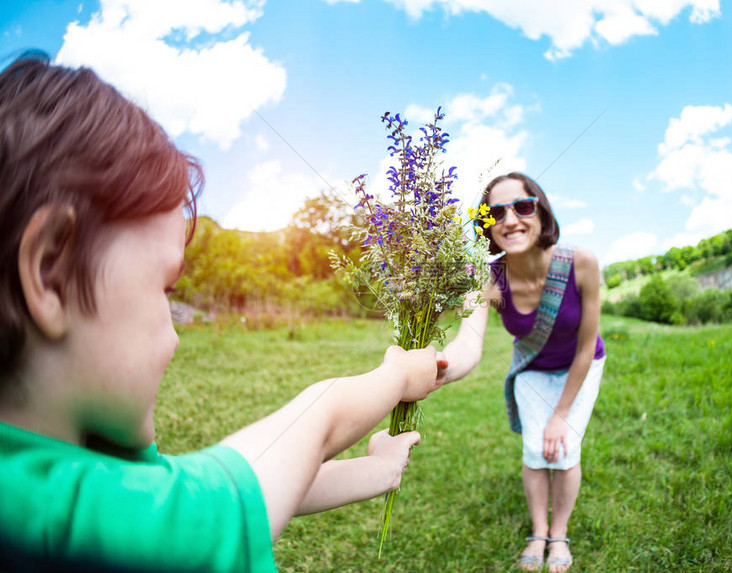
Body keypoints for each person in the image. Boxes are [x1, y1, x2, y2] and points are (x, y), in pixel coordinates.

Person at [0, 52, 445, 572]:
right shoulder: (55, 519)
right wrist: (395, 375)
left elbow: (273, 480)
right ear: (51, 272)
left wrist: (376, 472)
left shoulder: (57, 470)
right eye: (164, 288)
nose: (175, 337)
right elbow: (296, 442)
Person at [439, 172, 606, 573]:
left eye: (522, 206)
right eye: (496, 212)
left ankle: (559, 534)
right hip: (531, 367)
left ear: (541, 210)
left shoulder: (580, 261)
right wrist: (440, 368)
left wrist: (561, 414)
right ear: (487, 225)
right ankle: (538, 530)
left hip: (581, 366)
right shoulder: (488, 279)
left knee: (563, 450)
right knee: (535, 450)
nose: (510, 219)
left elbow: (586, 346)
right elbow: (468, 343)